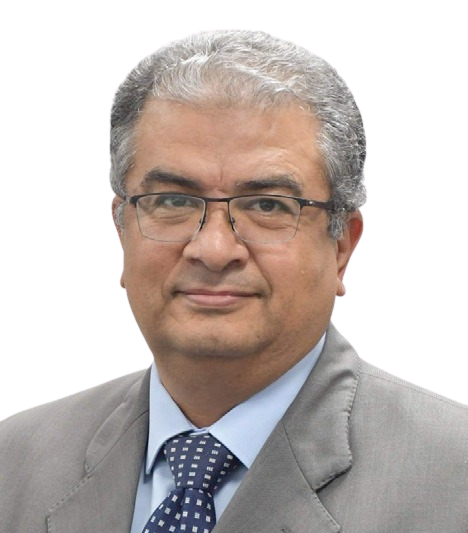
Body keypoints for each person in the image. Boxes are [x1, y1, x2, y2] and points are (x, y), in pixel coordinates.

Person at [1, 29, 466, 533]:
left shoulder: (455, 476)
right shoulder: (14, 458)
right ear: (121, 229)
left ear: (341, 247)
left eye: (267, 205)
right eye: (173, 201)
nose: (214, 250)